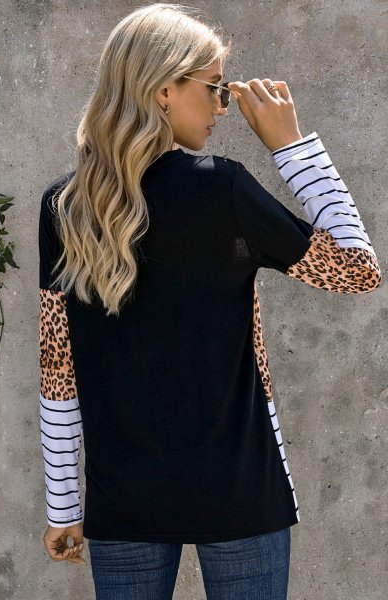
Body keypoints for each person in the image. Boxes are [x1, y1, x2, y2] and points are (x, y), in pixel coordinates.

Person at [38, 3, 381, 599]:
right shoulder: (221, 187)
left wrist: (63, 506)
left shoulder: (66, 207)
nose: (224, 106)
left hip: (126, 501)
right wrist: (291, 146)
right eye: (215, 88)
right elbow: (356, 271)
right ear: (164, 90)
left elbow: (56, 369)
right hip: (240, 492)